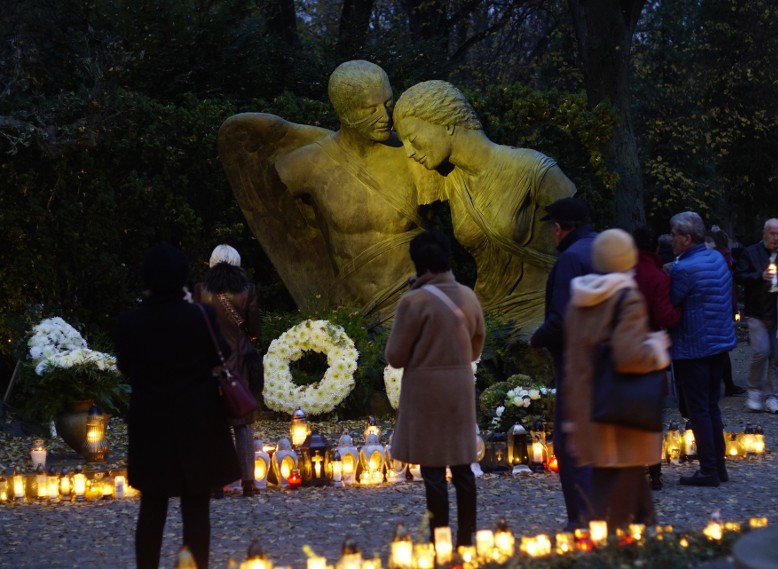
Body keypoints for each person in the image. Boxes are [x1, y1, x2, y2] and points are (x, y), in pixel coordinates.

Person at [220, 60, 441, 321]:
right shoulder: (305, 166)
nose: (385, 116)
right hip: (352, 314)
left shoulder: (417, 155)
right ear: (344, 111)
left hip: (418, 306)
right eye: (370, 109)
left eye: (388, 103)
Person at [392, 80, 577, 337]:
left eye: (412, 139)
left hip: (542, 307)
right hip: (488, 315)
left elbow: (583, 240)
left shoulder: (532, 169)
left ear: (446, 124)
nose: (410, 152)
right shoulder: (448, 181)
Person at [116, 244, 241, 569]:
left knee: (152, 505)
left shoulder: (131, 321)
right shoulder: (199, 316)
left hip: (150, 420)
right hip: (197, 418)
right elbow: (221, 355)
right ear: (183, 278)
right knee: (196, 504)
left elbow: (125, 365)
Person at [563, 229, 671, 530]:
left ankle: (644, 552)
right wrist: (657, 348)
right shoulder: (627, 298)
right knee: (615, 509)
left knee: (621, 491)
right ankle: (614, 557)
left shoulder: (578, 301)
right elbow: (630, 356)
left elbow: (572, 364)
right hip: (622, 415)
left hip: (590, 409)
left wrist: (572, 418)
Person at [387, 230, 485, 547]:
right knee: (462, 467)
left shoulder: (413, 301)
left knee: (432, 469)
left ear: (417, 263)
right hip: (458, 388)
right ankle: (468, 539)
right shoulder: (468, 296)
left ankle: (440, 540)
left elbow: (395, 356)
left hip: (425, 390)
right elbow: (476, 346)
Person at [528, 197, 597, 529]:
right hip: (614, 361)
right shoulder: (608, 250)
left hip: (579, 363)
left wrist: (538, 339)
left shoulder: (571, 259)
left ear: (558, 229)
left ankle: (583, 519)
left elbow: (563, 318)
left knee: (571, 442)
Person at [669, 212, 737, 487]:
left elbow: (672, 302)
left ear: (686, 238)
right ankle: (718, 467)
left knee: (698, 409)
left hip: (693, 346)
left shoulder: (684, 269)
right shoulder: (716, 258)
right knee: (711, 405)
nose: (671, 239)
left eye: (674, 234)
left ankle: (708, 470)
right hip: (719, 342)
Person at [193, 244, 263, 498]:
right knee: (243, 424)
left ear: (211, 263)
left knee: (213, 425)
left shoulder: (201, 291)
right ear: (238, 263)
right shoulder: (248, 290)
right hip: (240, 365)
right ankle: (248, 483)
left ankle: (215, 484)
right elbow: (254, 329)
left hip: (209, 366)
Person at [734, 218, 778, 413]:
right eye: (772, 233)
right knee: (761, 351)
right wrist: (758, 276)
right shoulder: (751, 252)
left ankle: (773, 396)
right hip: (758, 310)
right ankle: (754, 391)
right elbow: (739, 275)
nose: (776, 237)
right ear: (764, 233)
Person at [632, 225, 682, 490]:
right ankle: (654, 472)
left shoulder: (619, 274)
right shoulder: (656, 276)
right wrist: (679, 312)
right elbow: (665, 316)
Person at [704, 227, 745, 397]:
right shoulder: (723, 259)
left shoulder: (717, 259)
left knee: (718, 349)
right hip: (723, 306)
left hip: (718, 308)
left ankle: (724, 383)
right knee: (720, 349)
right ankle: (726, 383)